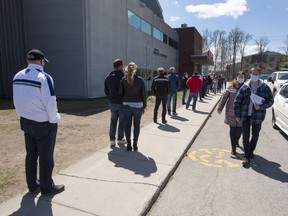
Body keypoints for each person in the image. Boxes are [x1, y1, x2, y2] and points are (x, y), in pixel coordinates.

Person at [13, 49, 65, 196]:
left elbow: (17, 99)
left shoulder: (17, 76)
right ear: (42, 62)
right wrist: (54, 119)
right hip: (43, 124)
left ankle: (32, 185)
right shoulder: (44, 77)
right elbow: (50, 102)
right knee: (46, 157)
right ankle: (47, 187)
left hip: (25, 121)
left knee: (31, 155)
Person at [234, 67, 274, 167]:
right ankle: (247, 156)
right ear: (250, 74)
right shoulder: (245, 87)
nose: (254, 76)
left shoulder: (264, 87)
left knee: (255, 135)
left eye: (256, 74)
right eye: (253, 74)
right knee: (245, 136)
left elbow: (270, 101)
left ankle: (250, 151)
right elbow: (237, 101)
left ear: (259, 75)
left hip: (258, 116)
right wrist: (237, 115)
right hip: (245, 116)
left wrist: (261, 106)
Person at [119, 62, 147, 151]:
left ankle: (129, 144)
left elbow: (120, 93)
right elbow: (144, 94)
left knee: (127, 125)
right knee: (137, 125)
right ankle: (135, 144)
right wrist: (144, 106)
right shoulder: (140, 80)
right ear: (135, 69)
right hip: (138, 105)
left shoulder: (123, 79)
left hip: (126, 104)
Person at [217, 71, 246, 156]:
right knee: (232, 129)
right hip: (231, 112)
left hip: (242, 112)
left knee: (239, 131)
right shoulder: (230, 86)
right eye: (239, 76)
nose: (241, 78)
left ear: (244, 78)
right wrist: (220, 107)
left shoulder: (247, 87)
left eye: (242, 77)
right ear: (236, 77)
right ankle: (233, 148)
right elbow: (224, 97)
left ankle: (236, 140)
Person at [104, 59, 127, 147]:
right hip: (122, 103)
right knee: (122, 122)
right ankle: (120, 139)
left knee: (113, 122)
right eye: (123, 65)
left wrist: (110, 98)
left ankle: (112, 140)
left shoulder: (108, 77)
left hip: (112, 103)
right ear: (120, 66)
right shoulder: (124, 77)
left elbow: (106, 90)